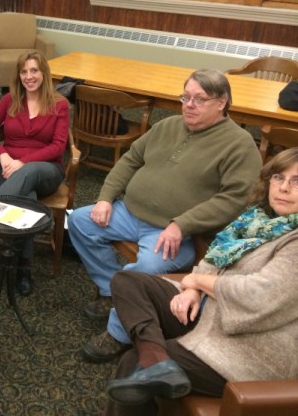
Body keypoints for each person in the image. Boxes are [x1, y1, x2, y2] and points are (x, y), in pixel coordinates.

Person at [68, 69, 262, 362]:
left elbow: (233, 199)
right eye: (186, 97)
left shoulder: (239, 144)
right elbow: (131, 159)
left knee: (146, 266)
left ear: (222, 102)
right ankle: (114, 292)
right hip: (128, 211)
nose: (189, 105)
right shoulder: (168, 125)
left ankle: (118, 331)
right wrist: (105, 198)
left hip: (172, 231)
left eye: (199, 99)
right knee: (81, 222)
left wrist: (181, 224)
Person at [104, 147, 298, 414]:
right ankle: (157, 362)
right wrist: (193, 290)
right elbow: (213, 260)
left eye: (297, 181)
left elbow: (257, 296)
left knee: (131, 361)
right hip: (211, 311)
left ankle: (151, 361)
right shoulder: (258, 220)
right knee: (128, 281)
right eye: (278, 177)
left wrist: (196, 281)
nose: (284, 188)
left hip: (251, 347)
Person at [0, 50, 69, 296]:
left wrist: (23, 161)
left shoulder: (59, 105)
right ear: (18, 75)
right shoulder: (10, 100)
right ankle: (24, 269)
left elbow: (57, 147)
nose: (29, 76)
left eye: (34, 71)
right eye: (24, 72)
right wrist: (2, 155)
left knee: (30, 172)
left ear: (44, 73)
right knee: (26, 201)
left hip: (47, 170)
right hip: (9, 169)